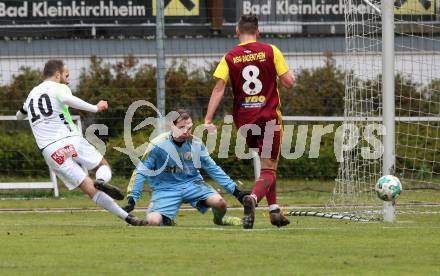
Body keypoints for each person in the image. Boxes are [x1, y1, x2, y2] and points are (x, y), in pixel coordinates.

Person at [15, 59, 147, 226]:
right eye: (66, 75)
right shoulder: (60, 87)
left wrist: (29, 114)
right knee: (102, 165)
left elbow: (19, 115)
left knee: (88, 188)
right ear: (57, 75)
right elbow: (69, 99)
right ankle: (102, 180)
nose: (68, 80)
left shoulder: (32, 94)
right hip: (70, 139)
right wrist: (95, 107)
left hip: (50, 151)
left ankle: (128, 218)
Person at [204, 14, 295, 229]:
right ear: (258, 32)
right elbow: (289, 82)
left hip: (244, 120)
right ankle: (252, 199)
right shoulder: (271, 50)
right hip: (268, 116)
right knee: (269, 168)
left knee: (266, 165)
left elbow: (218, 89)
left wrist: (208, 118)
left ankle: (274, 211)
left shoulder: (229, 56)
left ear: (237, 32)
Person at [123, 109, 247, 226]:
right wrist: (132, 199)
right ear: (172, 126)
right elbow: (141, 171)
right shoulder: (157, 145)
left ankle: (220, 220)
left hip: (192, 184)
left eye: (189, 127)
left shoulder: (196, 143)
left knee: (220, 203)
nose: (186, 131)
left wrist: (236, 192)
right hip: (166, 189)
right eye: (181, 127)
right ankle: (164, 218)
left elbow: (212, 168)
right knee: (153, 222)